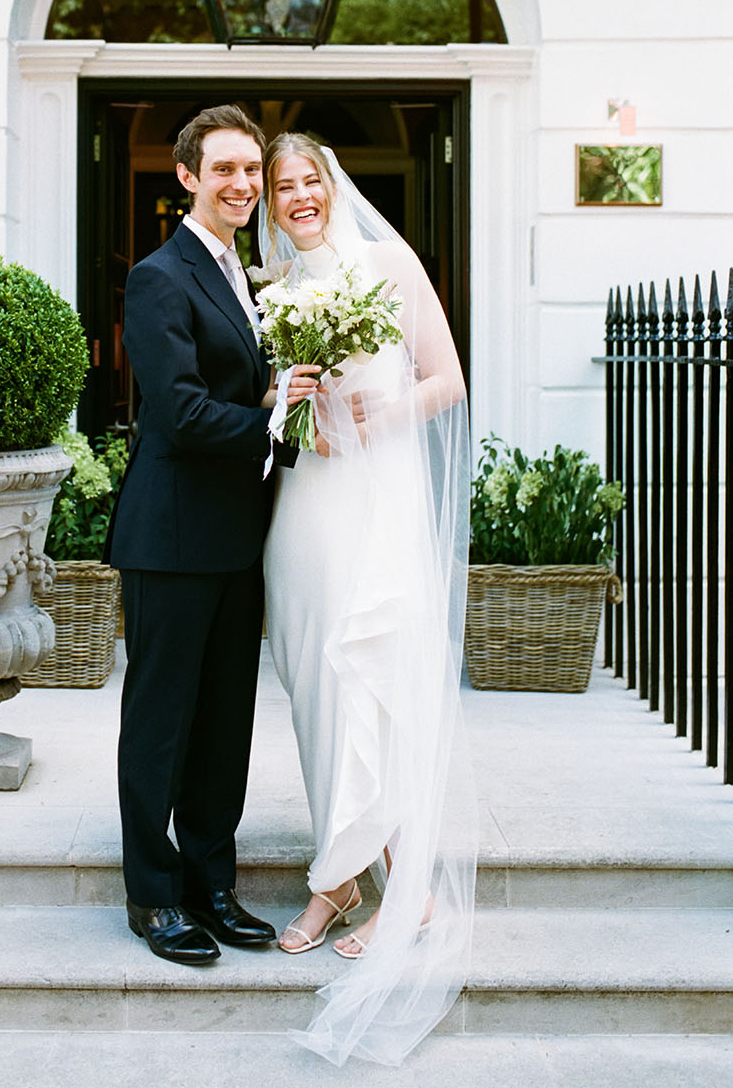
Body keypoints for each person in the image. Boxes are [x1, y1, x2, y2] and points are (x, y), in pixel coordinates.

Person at [260, 131, 476, 1065]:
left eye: (309, 179)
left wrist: (380, 415)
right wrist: (289, 398)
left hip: (377, 495)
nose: (298, 196)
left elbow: (446, 379)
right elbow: (270, 411)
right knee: (314, 685)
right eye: (282, 186)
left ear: (332, 184)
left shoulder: (388, 264)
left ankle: (400, 880)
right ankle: (342, 873)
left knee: (373, 676)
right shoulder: (270, 292)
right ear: (269, 202)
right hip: (304, 507)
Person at [105, 104, 311, 967]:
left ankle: (212, 884)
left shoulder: (245, 274)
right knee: (161, 724)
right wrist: (273, 421)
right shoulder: (160, 275)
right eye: (222, 169)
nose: (240, 185)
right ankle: (154, 898)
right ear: (187, 176)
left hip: (237, 535)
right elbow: (180, 413)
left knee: (225, 723)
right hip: (173, 534)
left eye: (249, 172)